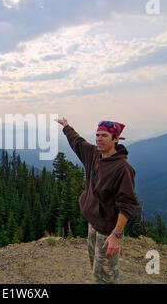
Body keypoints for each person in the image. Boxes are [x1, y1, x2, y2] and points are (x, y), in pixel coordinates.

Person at [55, 117, 139, 284]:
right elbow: (77, 142)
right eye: (97, 135)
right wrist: (66, 126)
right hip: (93, 224)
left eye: (104, 136)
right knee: (95, 266)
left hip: (108, 231)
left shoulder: (123, 169)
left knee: (104, 278)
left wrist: (116, 234)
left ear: (115, 139)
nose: (99, 139)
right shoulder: (94, 154)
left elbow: (127, 204)